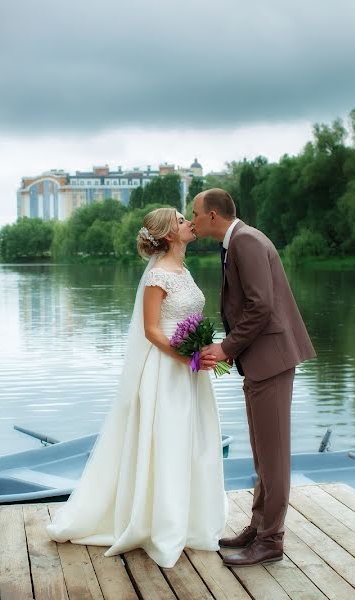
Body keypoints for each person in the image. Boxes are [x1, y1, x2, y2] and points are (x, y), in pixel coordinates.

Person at [46, 207, 227, 568]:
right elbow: (152, 330)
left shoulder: (184, 271)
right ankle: (160, 523)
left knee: (192, 441)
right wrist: (186, 357)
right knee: (168, 441)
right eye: (180, 220)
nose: (188, 221)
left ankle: (190, 519)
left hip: (191, 370)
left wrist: (202, 351)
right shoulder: (158, 275)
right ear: (169, 234)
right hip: (167, 370)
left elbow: (186, 319)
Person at [191, 188, 316, 567]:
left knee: (274, 457)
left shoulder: (245, 241)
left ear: (213, 216)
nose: (192, 220)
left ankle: (271, 541)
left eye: (194, 214)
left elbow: (261, 305)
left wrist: (226, 348)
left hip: (272, 360)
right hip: (261, 361)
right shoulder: (238, 241)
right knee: (263, 452)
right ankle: (258, 527)